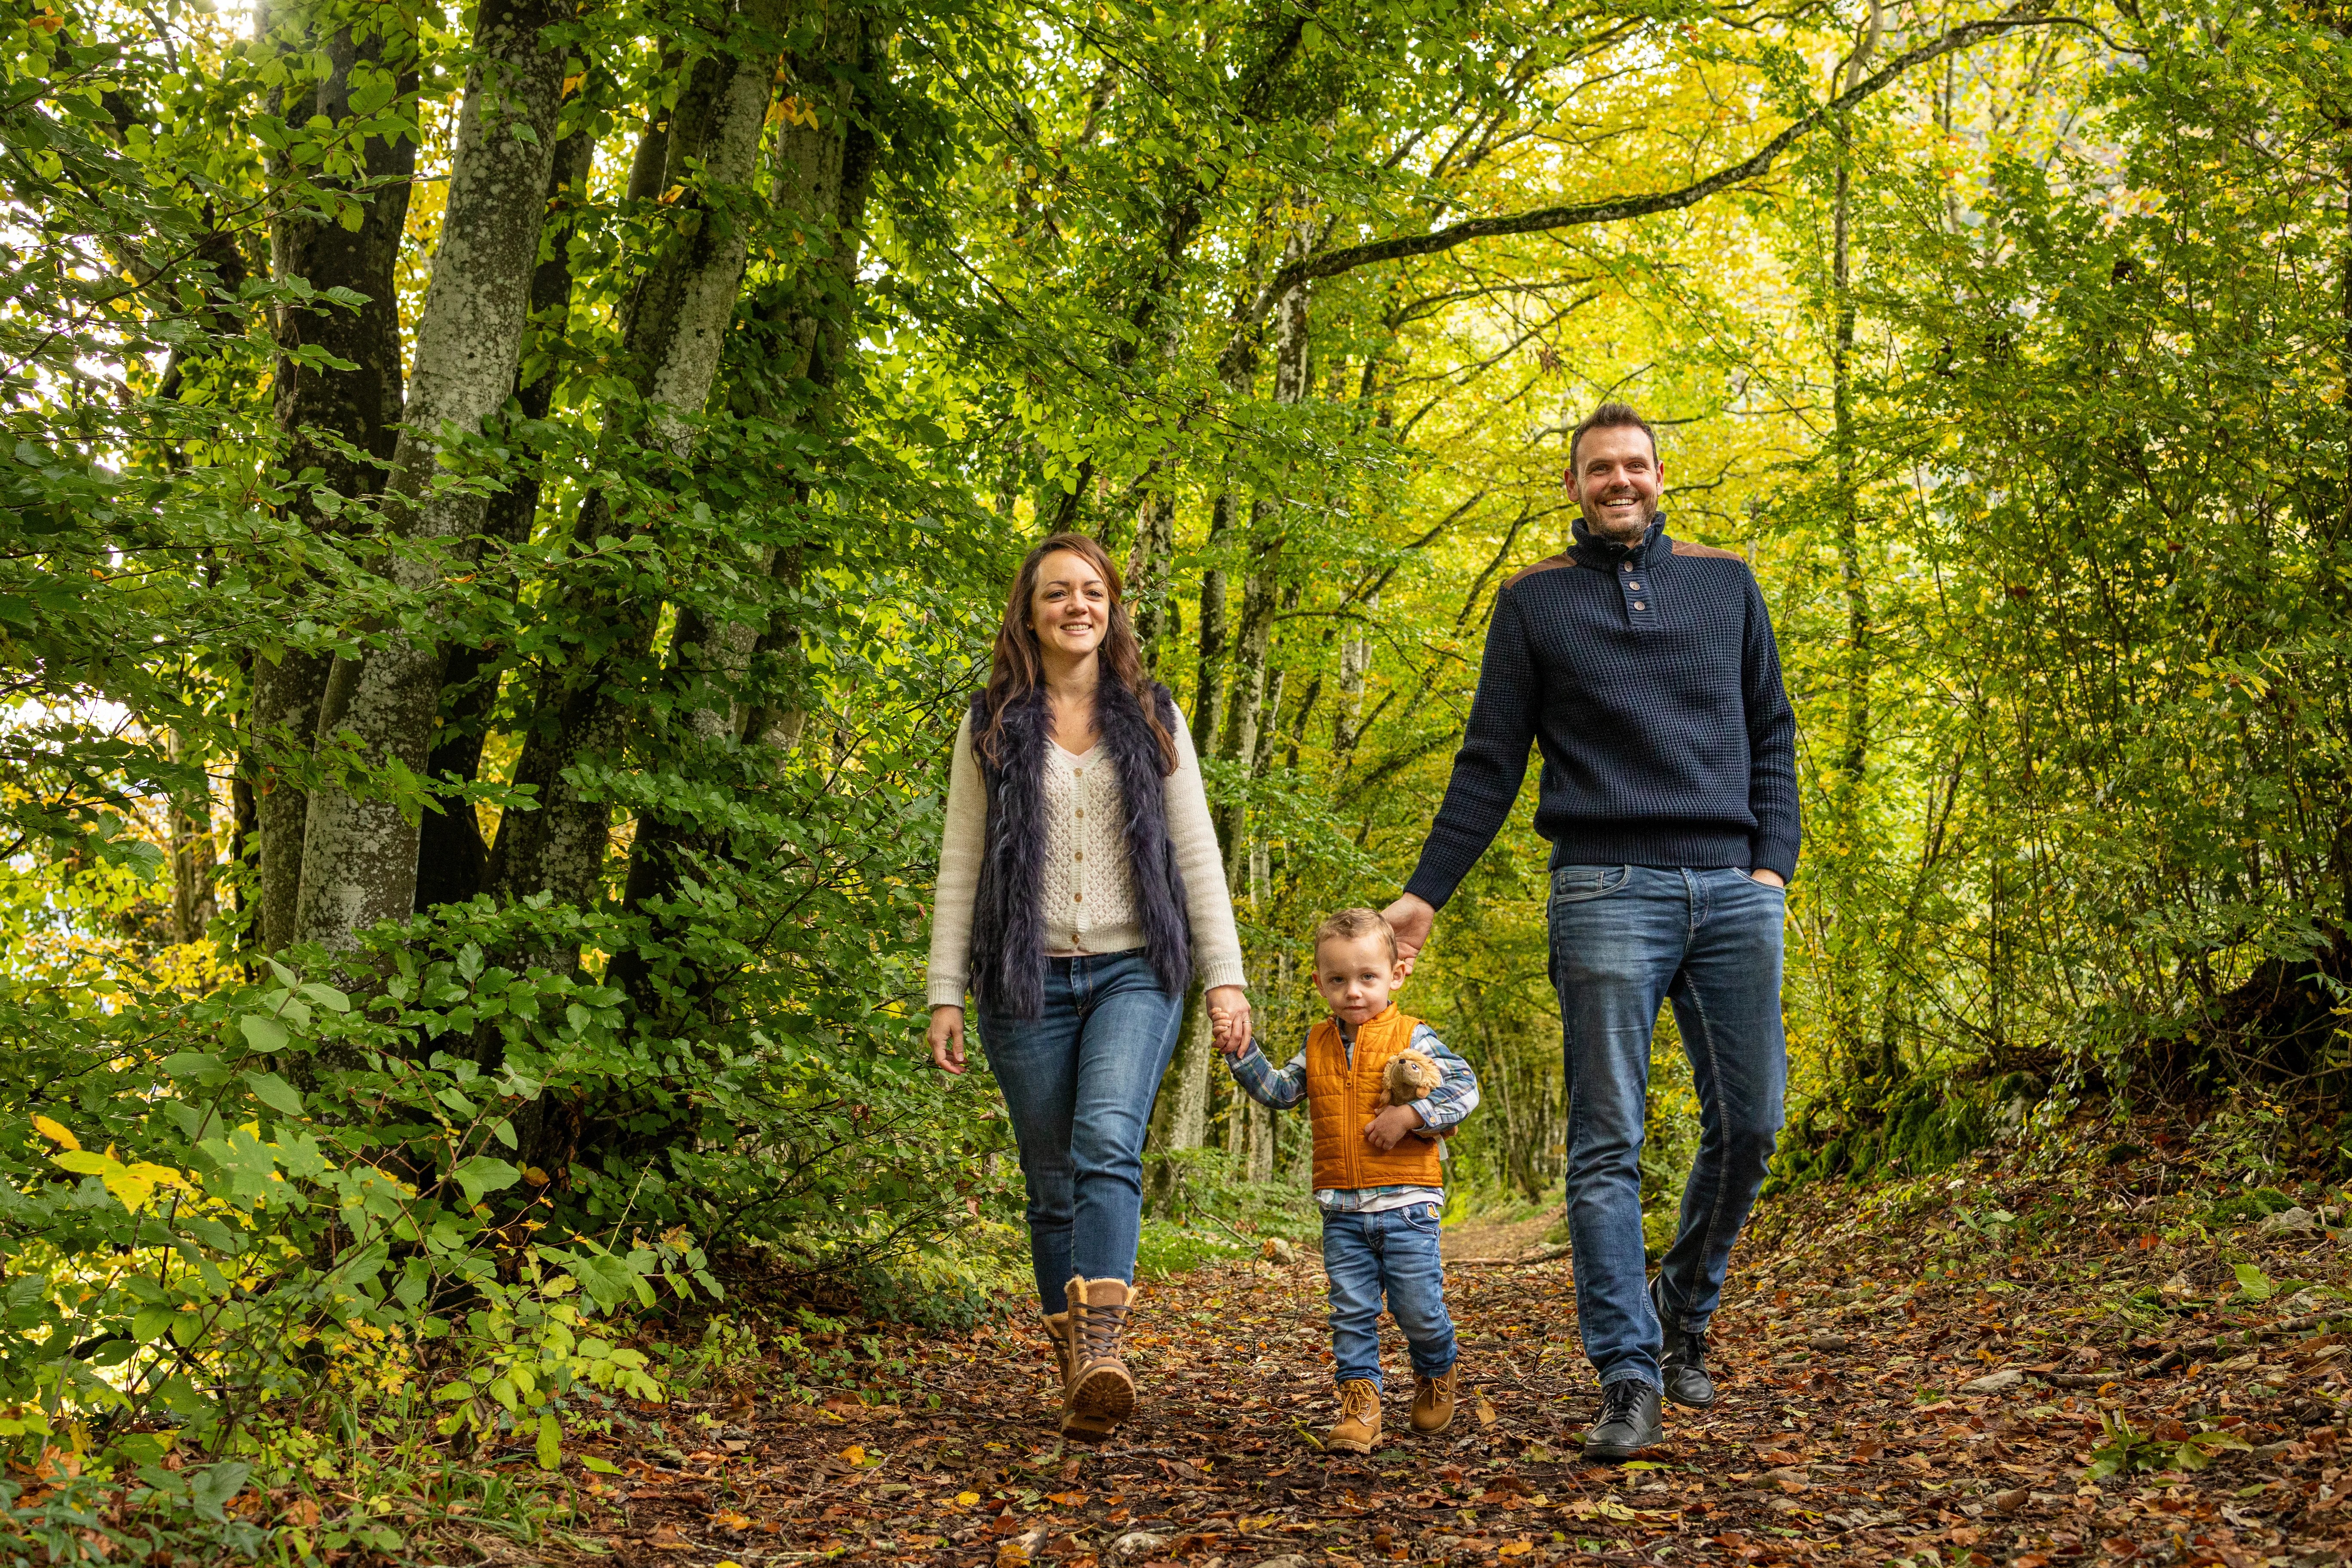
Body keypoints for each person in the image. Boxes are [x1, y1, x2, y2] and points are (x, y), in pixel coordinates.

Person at [1380, 401, 1800, 1461]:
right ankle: (1628, 1373)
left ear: (1661, 476)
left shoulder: (1726, 581)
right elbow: (1488, 762)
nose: (1619, 480)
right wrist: (1423, 893)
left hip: (1729, 885)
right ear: (1571, 487)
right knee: (1605, 1144)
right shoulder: (1532, 603)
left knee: (1750, 1122)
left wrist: (1770, 870)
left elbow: (1770, 732)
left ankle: (1682, 1307)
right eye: (1597, 468)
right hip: (1605, 890)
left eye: (1635, 464)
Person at [926, 532, 1252, 1441]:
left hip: (1135, 970)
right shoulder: (991, 722)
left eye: (1093, 592)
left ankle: (1106, 1346)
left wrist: (1226, 980)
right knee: (1050, 1180)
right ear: (1029, 613)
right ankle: (1076, 1364)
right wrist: (943, 992)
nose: (1078, 605)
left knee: (1108, 1140)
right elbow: (960, 865)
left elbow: (1197, 856)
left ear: (1112, 609)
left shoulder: (1152, 715)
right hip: (1023, 980)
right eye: (1058, 593)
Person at [1217, 908, 1479, 1455]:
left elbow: (1465, 1087)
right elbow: (1279, 1091)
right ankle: (1360, 1405)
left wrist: (1411, 1116)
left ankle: (1437, 1370)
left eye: (1367, 978)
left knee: (1418, 1310)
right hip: (1342, 1209)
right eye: (1338, 980)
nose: (1353, 992)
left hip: (1409, 1205)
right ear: (1319, 983)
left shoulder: (1415, 1036)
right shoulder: (1316, 1043)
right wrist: (1242, 1052)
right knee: (1351, 1312)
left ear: (1396, 976)